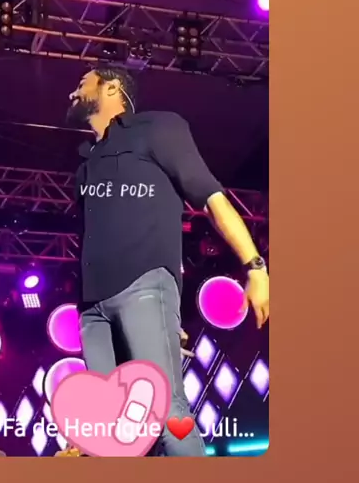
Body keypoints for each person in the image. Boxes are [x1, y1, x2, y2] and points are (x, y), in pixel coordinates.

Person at [66, 65, 269, 457]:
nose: (72, 92)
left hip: (143, 287)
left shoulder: (157, 127)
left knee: (165, 412)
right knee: (109, 431)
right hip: (92, 309)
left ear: (112, 88)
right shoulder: (85, 165)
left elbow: (211, 197)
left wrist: (255, 267)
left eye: (82, 83)